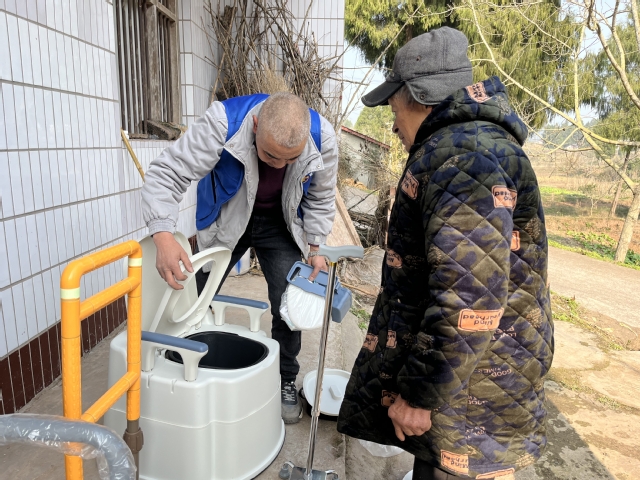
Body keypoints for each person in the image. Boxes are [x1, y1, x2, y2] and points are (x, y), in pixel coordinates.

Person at [337, 27, 552, 480]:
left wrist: (420, 394)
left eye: (394, 110)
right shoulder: (465, 146)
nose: (393, 125)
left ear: (418, 96)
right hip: (469, 381)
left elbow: (469, 298)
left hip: (473, 396)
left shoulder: (463, 159)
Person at [141, 92, 338, 424]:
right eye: (270, 155)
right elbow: (167, 173)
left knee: (288, 302)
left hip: (282, 224)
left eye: (291, 159)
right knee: (192, 293)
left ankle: (285, 378)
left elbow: (321, 196)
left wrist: (316, 249)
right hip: (229, 218)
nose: (279, 166)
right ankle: (174, 364)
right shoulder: (223, 123)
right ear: (255, 125)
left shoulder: (323, 138)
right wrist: (162, 235)